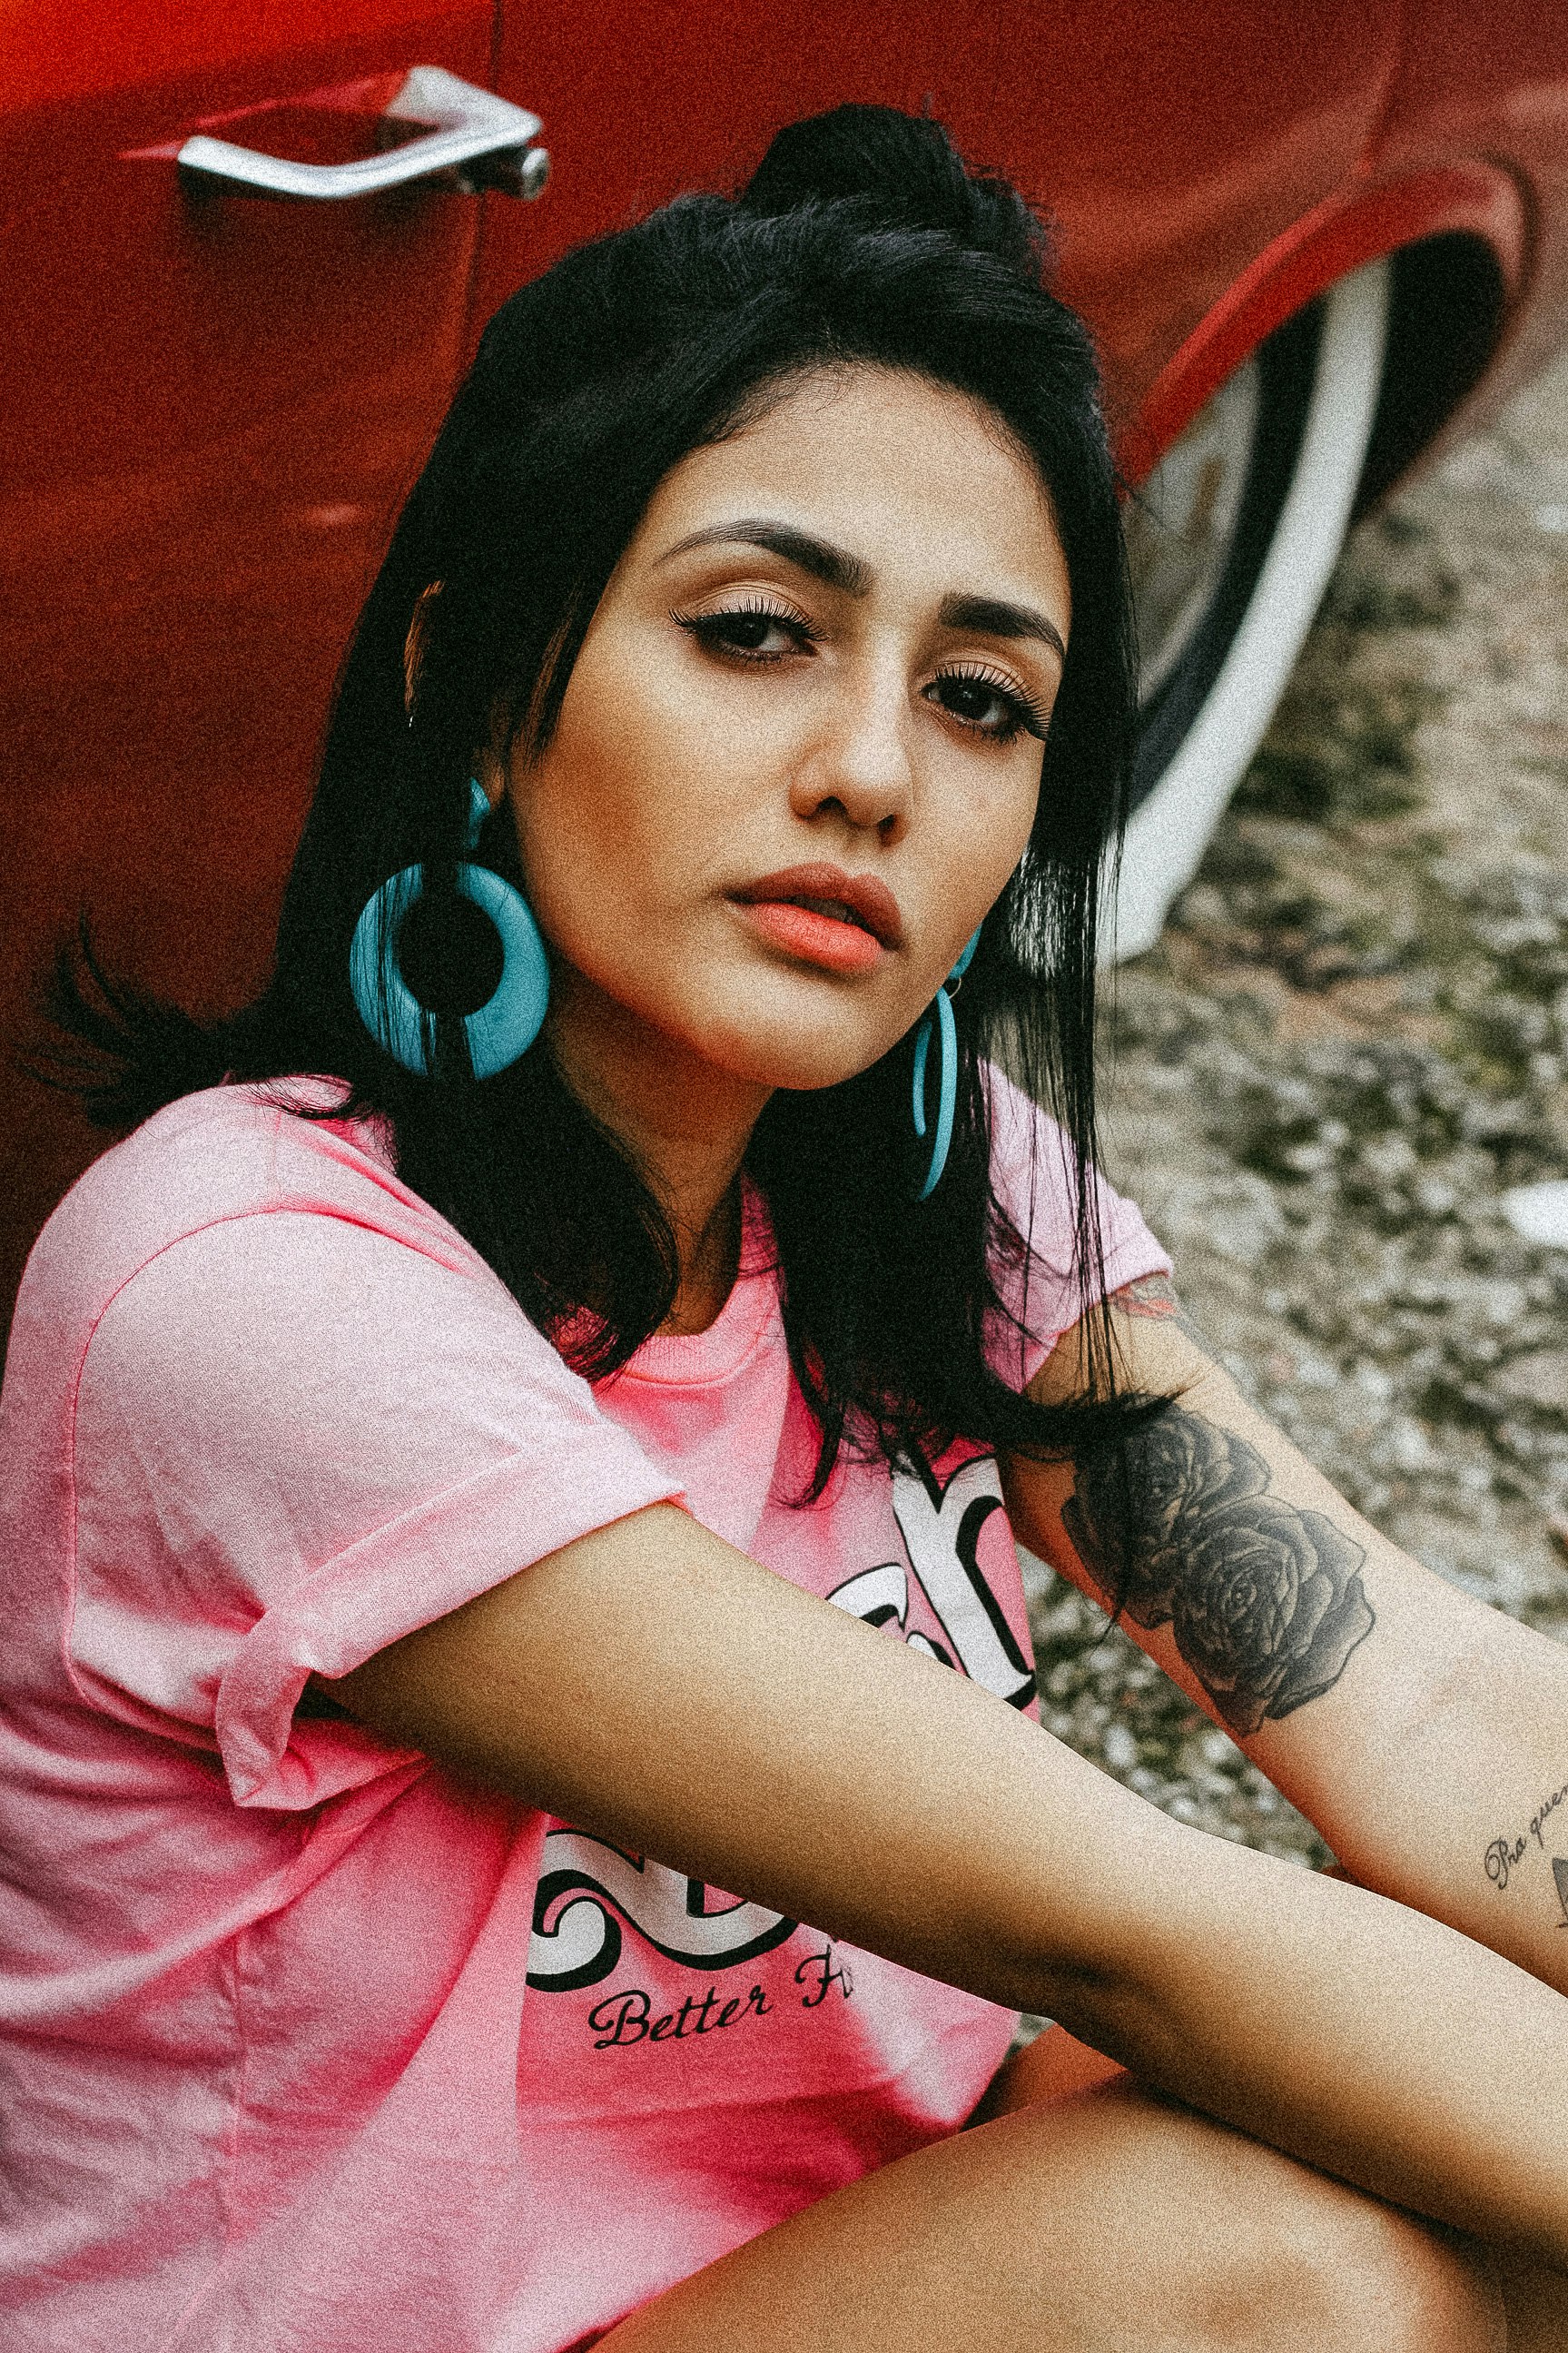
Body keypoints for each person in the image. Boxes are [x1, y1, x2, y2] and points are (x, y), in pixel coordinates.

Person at [1, 102, 1565, 2353]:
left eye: (980, 697)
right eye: (756, 634)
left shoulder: (925, 1181)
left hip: (821, 2260)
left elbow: (1407, 1696)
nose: (873, 772)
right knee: (1300, 2273)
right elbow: (1128, 1926)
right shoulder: (245, 1291)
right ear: (471, 677)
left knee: (1459, 2101)